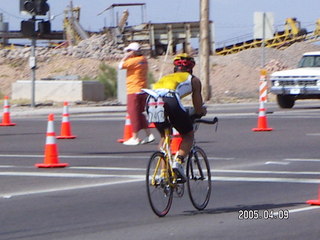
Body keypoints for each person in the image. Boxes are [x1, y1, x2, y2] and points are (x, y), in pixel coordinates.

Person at [148, 53, 207, 181]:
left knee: (165, 137)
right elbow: (198, 106)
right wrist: (201, 112)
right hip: (170, 100)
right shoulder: (194, 80)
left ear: (175, 67)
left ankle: (164, 174)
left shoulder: (165, 77)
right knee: (188, 135)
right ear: (191, 68)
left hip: (151, 100)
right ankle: (178, 162)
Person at [119, 42, 155, 145]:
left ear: (134, 52)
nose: (128, 52)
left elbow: (120, 66)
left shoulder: (134, 61)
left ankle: (134, 137)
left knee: (133, 113)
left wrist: (125, 57)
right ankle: (149, 134)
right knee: (139, 113)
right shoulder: (143, 60)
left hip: (134, 90)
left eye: (129, 51)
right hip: (142, 89)